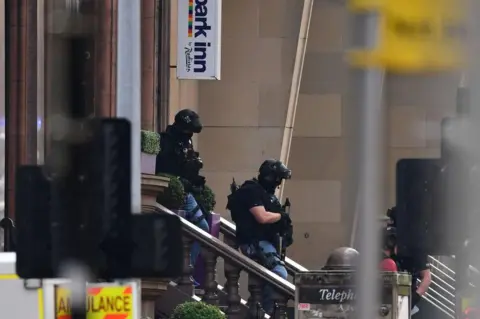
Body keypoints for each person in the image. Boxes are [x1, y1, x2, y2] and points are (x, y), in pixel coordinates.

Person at [226, 159, 293, 315]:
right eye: (278, 179)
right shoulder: (251, 190)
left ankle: (258, 309)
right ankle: (265, 311)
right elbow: (261, 217)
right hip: (254, 242)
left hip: (267, 243)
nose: (278, 184)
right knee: (279, 274)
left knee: (265, 282)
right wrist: (281, 216)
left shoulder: (267, 195)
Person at [156, 109, 209, 285]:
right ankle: (180, 272)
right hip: (172, 190)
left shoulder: (187, 142)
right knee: (197, 227)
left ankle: (186, 269)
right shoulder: (165, 141)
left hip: (186, 190)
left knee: (201, 227)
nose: (190, 135)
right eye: (188, 131)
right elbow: (162, 168)